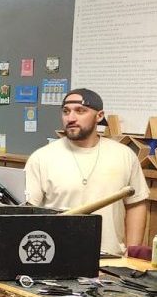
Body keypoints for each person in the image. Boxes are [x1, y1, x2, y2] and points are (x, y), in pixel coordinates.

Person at [23, 87, 149, 256]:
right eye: (66, 112)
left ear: (99, 116)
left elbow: (136, 204)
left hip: (110, 259)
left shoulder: (124, 155)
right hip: (56, 257)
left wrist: (132, 254)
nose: (71, 118)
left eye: (80, 111)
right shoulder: (41, 158)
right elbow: (28, 213)